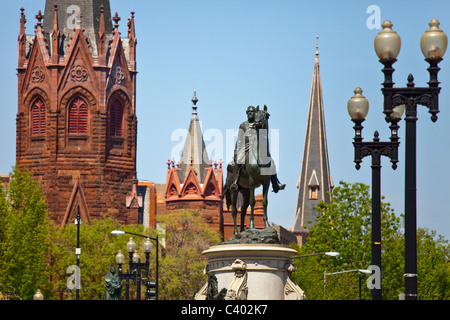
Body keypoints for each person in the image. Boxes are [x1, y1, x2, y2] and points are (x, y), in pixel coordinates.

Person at [230, 106, 285, 193]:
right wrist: (236, 151)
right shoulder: (243, 125)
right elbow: (239, 140)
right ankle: (235, 182)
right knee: (239, 160)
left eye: (252, 112)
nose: (250, 113)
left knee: (271, 162)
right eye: (248, 112)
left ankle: (275, 184)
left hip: (256, 146)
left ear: (255, 114)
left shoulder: (258, 124)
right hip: (246, 147)